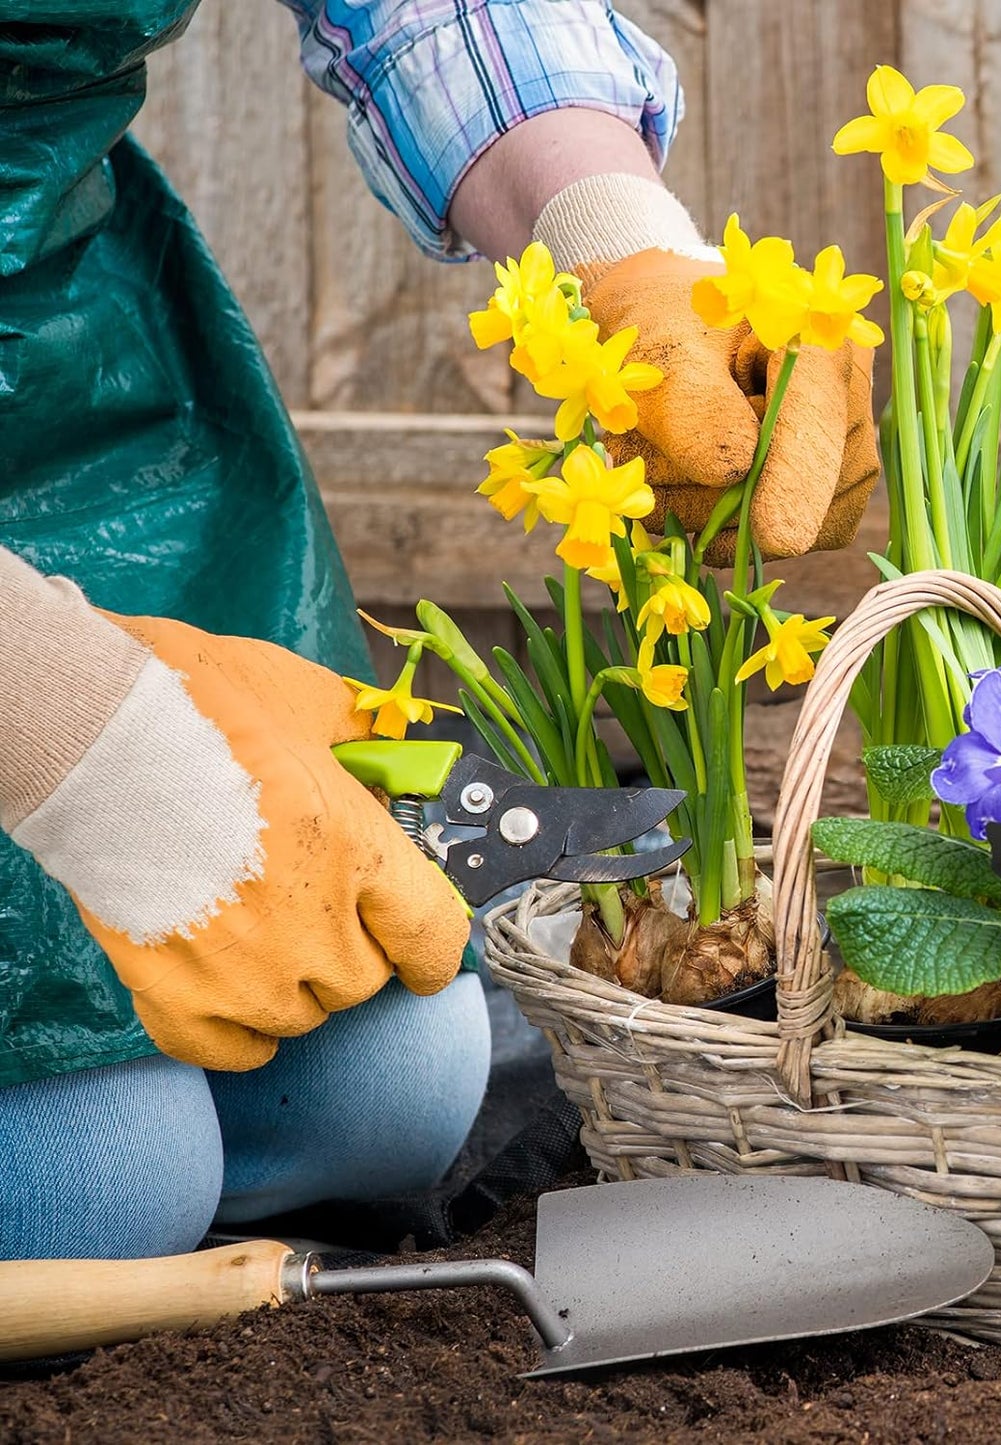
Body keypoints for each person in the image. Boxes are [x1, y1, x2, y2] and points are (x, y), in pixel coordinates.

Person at [0, 0, 878, 1263]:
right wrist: (63, 724)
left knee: (392, 1086)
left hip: (70, 349)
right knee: (102, 1189)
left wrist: (619, 250)